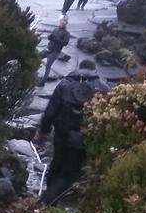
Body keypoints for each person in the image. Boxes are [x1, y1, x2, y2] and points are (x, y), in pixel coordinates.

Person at [35, 59, 109, 204]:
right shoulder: (103, 88)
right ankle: (45, 202)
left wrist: (44, 131)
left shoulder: (64, 84)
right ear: (94, 71)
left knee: (56, 165)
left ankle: (48, 201)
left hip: (61, 134)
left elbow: (51, 111)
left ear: (79, 68)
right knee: (69, 174)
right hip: (83, 138)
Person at [37, 17, 70, 86]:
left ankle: (43, 82)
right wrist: (49, 37)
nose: (62, 24)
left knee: (48, 66)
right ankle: (31, 76)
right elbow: (51, 38)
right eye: (61, 22)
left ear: (66, 24)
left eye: (64, 23)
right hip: (48, 49)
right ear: (60, 22)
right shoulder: (55, 29)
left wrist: (55, 38)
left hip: (55, 52)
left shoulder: (66, 33)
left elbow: (65, 43)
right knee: (36, 59)